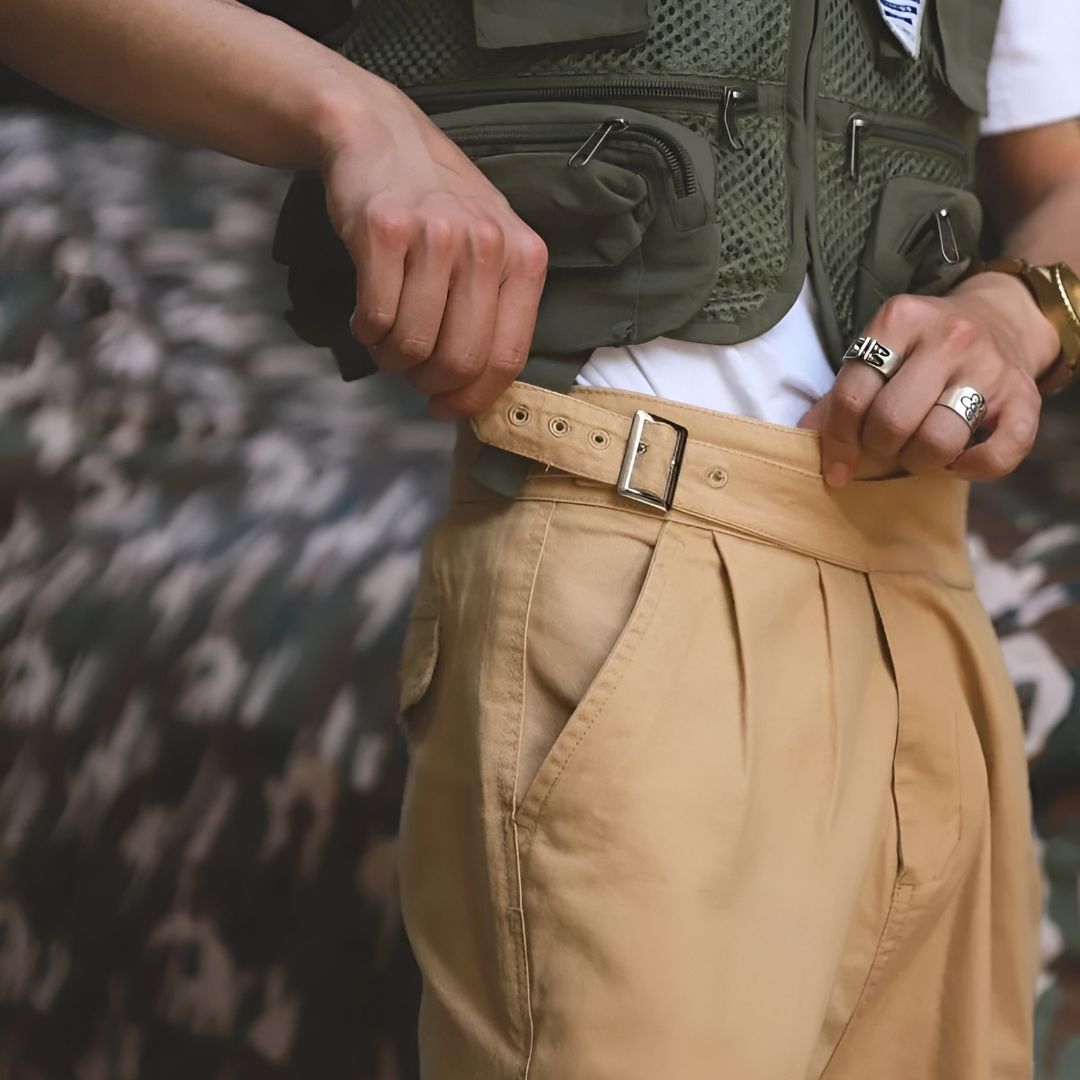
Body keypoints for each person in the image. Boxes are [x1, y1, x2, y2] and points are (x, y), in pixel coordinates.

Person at [2, 1, 1080, 1077]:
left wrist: (1017, 307)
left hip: (929, 594)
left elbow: (1062, 174)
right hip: (634, 540)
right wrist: (353, 114)